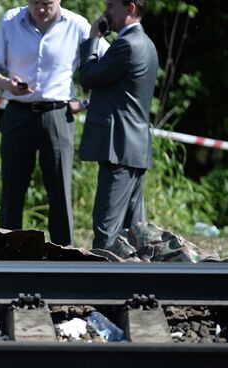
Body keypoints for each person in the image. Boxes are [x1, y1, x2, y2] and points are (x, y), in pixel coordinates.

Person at [0, 0, 108, 245]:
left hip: (57, 114)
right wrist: (8, 84)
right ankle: (8, 254)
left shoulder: (77, 25)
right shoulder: (10, 21)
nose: (40, 9)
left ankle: (64, 258)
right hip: (18, 113)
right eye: (35, 2)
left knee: (59, 191)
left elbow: (109, 62)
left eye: (47, 3)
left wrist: (85, 103)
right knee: (11, 190)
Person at [78, 0, 158, 249]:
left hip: (120, 148)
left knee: (107, 231)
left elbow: (89, 76)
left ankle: (101, 286)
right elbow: (124, 94)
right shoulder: (146, 44)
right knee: (134, 234)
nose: (105, 12)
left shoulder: (126, 44)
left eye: (111, 6)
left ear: (130, 8)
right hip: (134, 149)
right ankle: (136, 286)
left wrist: (93, 38)